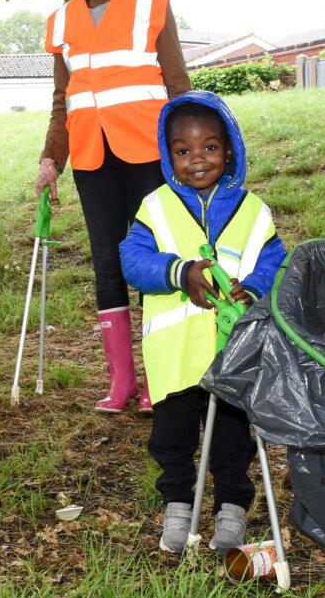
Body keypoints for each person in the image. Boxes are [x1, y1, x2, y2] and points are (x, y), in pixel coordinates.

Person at [35, 0, 192, 414]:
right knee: (106, 261)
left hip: (149, 152)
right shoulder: (60, 22)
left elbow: (176, 81)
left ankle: (157, 379)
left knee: (148, 259)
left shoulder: (152, 3)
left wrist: (188, 151)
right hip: (91, 157)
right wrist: (49, 158)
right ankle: (120, 383)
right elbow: (63, 98)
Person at [120, 91, 287, 554]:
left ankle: (231, 507)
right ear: (167, 154)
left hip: (231, 351)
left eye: (210, 147)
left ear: (229, 148)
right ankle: (178, 503)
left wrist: (253, 288)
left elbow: (275, 262)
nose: (198, 159)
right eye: (183, 151)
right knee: (172, 436)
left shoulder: (254, 211)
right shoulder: (154, 207)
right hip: (175, 355)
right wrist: (178, 271)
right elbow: (131, 259)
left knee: (232, 438)